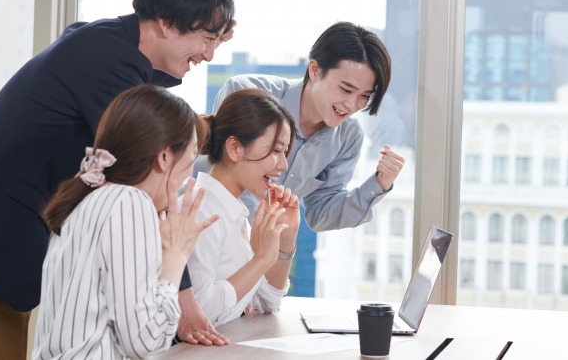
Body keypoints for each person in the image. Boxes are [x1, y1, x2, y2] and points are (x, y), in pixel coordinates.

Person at [0, 0, 233, 359]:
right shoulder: (110, 66)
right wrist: (184, 300)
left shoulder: (105, 42)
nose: (209, 55)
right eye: (206, 38)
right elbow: (146, 162)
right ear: (167, 22)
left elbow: (150, 89)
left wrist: (208, 35)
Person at [32, 84, 218, 358]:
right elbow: (144, 341)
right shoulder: (129, 202)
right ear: (164, 157)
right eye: (192, 153)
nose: (190, 170)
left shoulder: (88, 195)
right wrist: (176, 256)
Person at [193, 21, 405, 232]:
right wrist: (255, 244)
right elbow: (224, 180)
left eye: (364, 96)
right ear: (315, 70)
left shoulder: (349, 135)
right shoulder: (247, 93)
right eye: (346, 90)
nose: (352, 105)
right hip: (207, 227)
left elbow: (320, 213)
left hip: (264, 246)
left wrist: (379, 184)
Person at [184, 88, 300, 326]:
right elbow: (198, 313)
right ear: (235, 148)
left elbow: (267, 301)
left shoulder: (234, 213)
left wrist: (286, 238)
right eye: (276, 150)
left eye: (285, 152)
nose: (284, 165)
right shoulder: (201, 212)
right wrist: (260, 259)